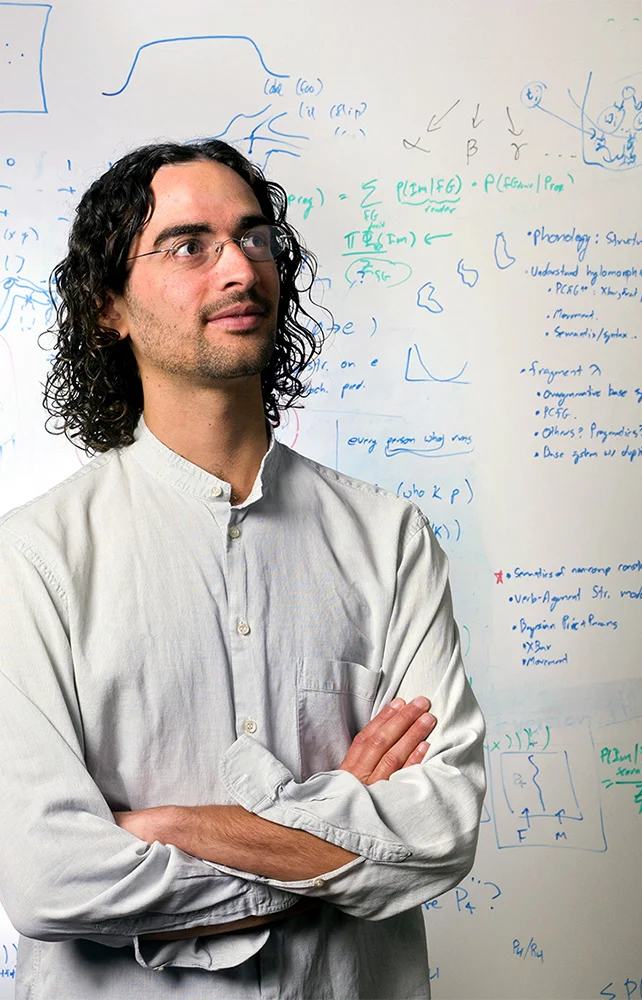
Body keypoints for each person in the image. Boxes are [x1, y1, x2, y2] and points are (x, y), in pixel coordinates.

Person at [0, 139, 486, 1000]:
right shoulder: (32, 559)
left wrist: (172, 828)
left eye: (253, 238)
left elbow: (440, 831)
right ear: (108, 305)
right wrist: (339, 834)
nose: (239, 269)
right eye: (189, 245)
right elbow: (52, 881)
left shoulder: (388, 538)